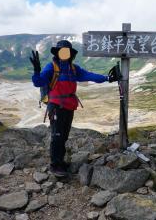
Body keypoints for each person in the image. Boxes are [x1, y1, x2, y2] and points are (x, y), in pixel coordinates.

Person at [30, 40, 120, 177]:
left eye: (67, 51)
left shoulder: (73, 69)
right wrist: (36, 71)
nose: (65, 54)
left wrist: (108, 78)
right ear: (58, 53)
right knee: (57, 136)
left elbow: (89, 75)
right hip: (56, 106)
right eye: (62, 51)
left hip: (69, 106)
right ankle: (55, 165)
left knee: (64, 135)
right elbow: (38, 82)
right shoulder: (51, 67)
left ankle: (60, 161)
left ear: (71, 54)